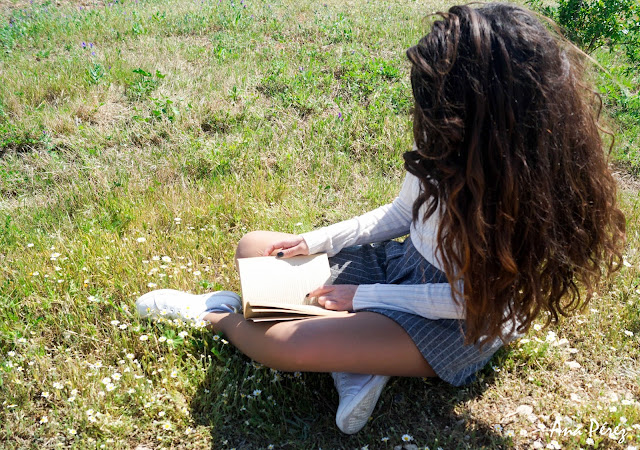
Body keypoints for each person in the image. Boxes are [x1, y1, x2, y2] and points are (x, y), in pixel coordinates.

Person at [135, 3, 626, 435]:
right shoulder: (453, 150)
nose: (425, 116)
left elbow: (469, 303)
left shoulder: (529, 201)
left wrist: (360, 297)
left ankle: (218, 313)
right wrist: (316, 240)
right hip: (403, 267)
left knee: (284, 345)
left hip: (456, 321)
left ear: (485, 116)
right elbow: (398, 214)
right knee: (256, 247)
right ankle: (359, 363)